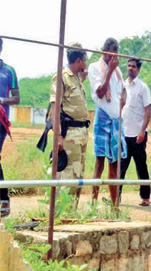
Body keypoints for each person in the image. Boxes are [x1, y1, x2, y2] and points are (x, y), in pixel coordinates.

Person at [87, 37, 126, 209]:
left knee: (115, 164)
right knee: (99, 162)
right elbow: (100, 93)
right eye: (110, 54)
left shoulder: (119, 72)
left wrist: (123, 102)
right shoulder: (95, 68)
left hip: (116, 120)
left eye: (116, 54)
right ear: (103, 52)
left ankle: (114, 206)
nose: (113, 58)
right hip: (102, 118)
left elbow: (122, 93)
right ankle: (93, 204)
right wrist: (109, 71)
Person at [49, 44, 91, 195]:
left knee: (79, 174)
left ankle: (72, 213)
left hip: (82, 132)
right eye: (84, 60)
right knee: (70, 175)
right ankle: (66, 214)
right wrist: (58, 136)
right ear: (79, 60)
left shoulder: (77, 79)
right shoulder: (61, 77)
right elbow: (55, 107)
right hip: (70, 133)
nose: (85, 64)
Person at [119, 58, 151, 206]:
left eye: (133, 66)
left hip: (138, 134)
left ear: (138, 69)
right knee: (121, 166)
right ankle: (116, 197)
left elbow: (148, 110)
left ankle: (145, 197)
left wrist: (142, 131)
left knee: (141, 165)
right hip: (124, 134)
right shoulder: (122, 85)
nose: (131, 68)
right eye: (129, 66)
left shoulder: (143, 87)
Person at [0, 37, 20, 218]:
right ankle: (4, 199)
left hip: (0, 120)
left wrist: (1, 100)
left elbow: (16, 98)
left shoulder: (9, 71)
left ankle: (4, 198)